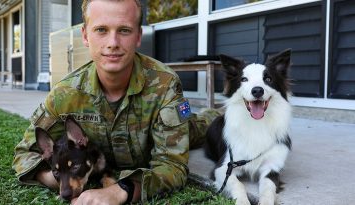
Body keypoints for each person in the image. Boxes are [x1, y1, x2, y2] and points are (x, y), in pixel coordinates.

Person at [12, 0, 220, 204]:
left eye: (124, 30)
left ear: (138, 36)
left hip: (188, 128)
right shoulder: (65, 94)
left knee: (207, 124)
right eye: (101, 29)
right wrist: (52, 178)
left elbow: (173, 166)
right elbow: (24, 152)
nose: (112, 43)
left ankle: (218, 112)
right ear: (85, 35)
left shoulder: (164, 84)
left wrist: (122, 191)